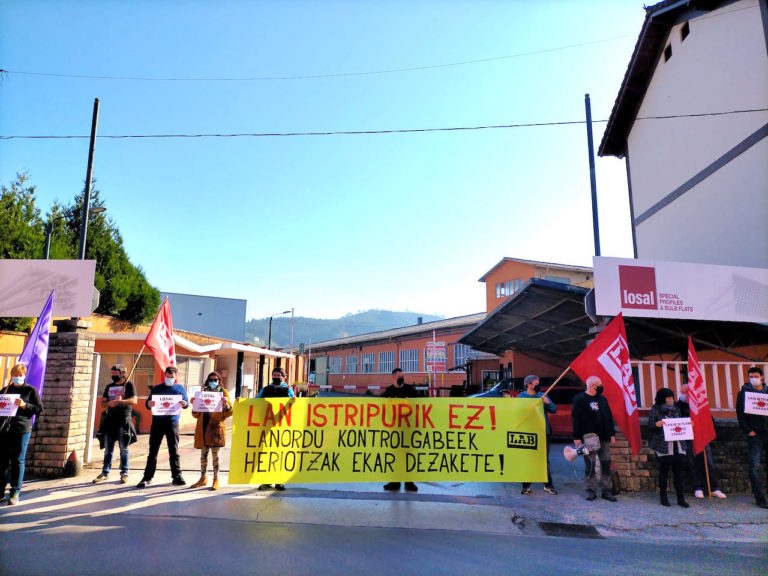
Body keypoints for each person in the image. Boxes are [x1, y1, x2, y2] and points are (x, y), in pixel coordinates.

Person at [136, 366, 189, 488]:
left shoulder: (180, 388)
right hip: (158, 422)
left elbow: (186, 403)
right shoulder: (157, 388)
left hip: (172, 422)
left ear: (176, 378)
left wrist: (184, 403)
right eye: (167, 377)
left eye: (172, 377)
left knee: (174, 450)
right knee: (153, 451)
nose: (169, 379)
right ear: (164, 376)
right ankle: (147, 477)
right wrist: (149, 403)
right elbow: (148, 404)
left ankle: (177, 476)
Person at [0, 364, 43, 505]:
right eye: (15, 375)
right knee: (3, 460)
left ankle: (15, 492)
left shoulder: (30, 390)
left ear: (24, 376)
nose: (17, 377)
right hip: (5, 430)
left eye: (20, 375)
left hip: (22, 429)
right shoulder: (5, 390)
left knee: (18, 460)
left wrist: (25, 405)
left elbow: (39, 408)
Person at [676, 382, 726, 499]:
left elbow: (709, 420)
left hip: (701, 437)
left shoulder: (700, 405)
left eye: (686, 392)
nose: (683, 395)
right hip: (687, 438)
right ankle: (697, 487)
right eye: (682, 392)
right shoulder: (677, 406)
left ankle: (714, 488)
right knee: (691, 463)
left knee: (708, 463)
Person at [571, 375, 617, 502]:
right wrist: (577, 436)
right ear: (593, 386)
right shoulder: (580, 399)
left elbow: (608, 416)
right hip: (589, 437)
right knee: (590, 464)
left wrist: (611, 433)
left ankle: (606, 490)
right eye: (599, 385)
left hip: (604, 437)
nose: (601, 387)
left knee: (606, 463)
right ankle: (591, 490)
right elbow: (576, 418)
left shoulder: (602, 399)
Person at [93, 364, 137, 485]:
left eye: (115, 374)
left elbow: (134, 400)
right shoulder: (109, 386)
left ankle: (124, 472)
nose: (113, 377)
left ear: (122, 373)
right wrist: (110, 403)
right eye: (112, 374)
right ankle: (105, 472)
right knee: (108, 449)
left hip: (123, 419)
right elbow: (102, 403)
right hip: (110, 420)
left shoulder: (129, 385)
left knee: (124, 448)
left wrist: (120, 401)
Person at [648, 388, 690, 508]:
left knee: (678, 473)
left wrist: (688, 424)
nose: (671, 400)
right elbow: (650, 425)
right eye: (668, 398)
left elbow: (683, 422)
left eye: (672, 397)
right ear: (663, 399)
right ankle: (663, 497)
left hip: (678, 445)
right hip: (663, 446)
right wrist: (657, 424)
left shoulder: (677, 408)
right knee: (664, 472)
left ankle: (681, 498)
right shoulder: (656, 410)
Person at [190, 371, 232, 490]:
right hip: (203, 427)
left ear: (219, 381)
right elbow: (196, 414)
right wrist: (195, 405)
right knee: (203, 455)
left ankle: (216, 478)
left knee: (216, 455)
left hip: (215, 427)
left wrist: (226, 405)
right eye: (211, 380)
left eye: (215, 380)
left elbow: (229, 410)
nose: (213, 382)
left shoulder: (223, 393)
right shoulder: (203, 393)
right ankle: (203, 478)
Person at [518, 374, 557, 495]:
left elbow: (554, 409)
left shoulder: (542, 396)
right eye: (536, 384)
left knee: (544, 460)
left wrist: (547, 403)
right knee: (527, 459)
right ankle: (526, 485)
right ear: (528, 385)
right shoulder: (521, 397)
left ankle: (548, 484)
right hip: (527, 433)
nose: (538, 386)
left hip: (543, 433)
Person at [257, 367, 294, 491]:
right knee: (266, 454)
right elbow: (255, 402)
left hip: (283, 426)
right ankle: (266, 481)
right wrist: (241, 402)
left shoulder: (288, 390)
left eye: (279, 374)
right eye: (274, 374)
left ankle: (279, 481)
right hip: (267, 426)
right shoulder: (265, 389)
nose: (276, 376)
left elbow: (296, 406)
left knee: (280, 454)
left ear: (284, 377)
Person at [736, 366, 768, 509]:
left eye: (755, 376)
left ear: (762, 377)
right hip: (755, 434)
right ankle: (759, 497)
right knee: (754, 466)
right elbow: (740, 414)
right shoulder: (743, 393)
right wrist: (748, 430)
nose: (753, 379)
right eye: (751, 376)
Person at [382, 368, 418, 492]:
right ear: (393, 377)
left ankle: (409, 482)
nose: (402, 378)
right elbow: (380, 405)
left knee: (408, 456)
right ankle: (395, 482)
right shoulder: (389, 391)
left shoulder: (409, 389)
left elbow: (419, 403)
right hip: (394, 429)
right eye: (399, 376)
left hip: (407, 428)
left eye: (403, 376)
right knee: (395, 456)